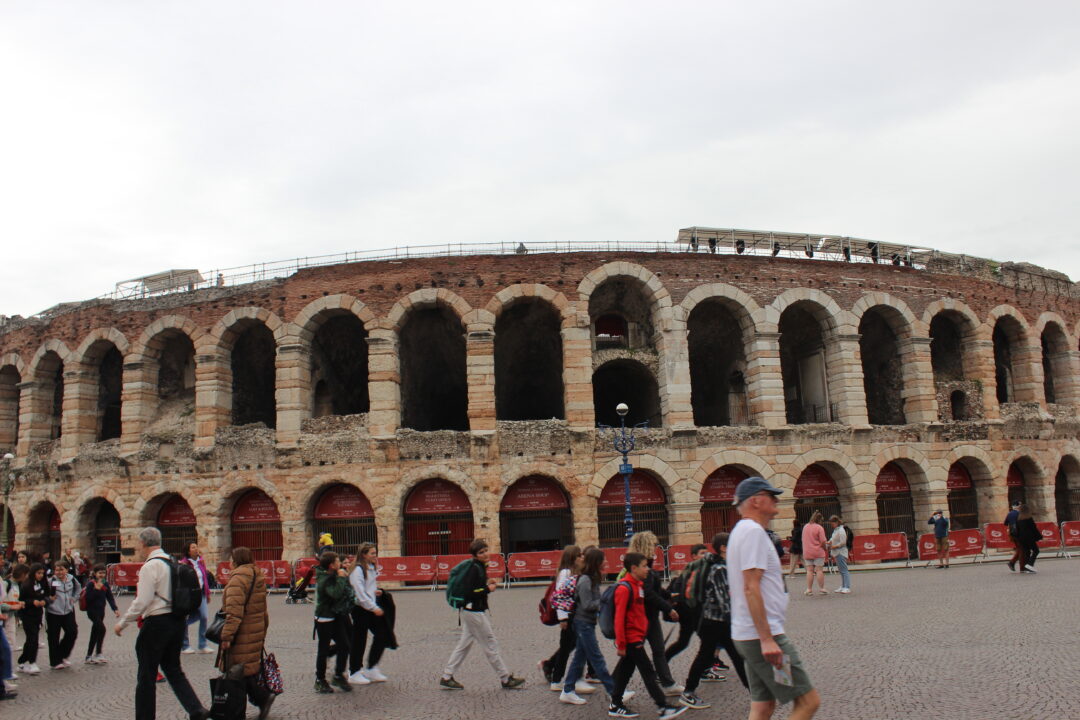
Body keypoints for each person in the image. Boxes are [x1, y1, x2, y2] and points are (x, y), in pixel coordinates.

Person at [729, 477, 820, 720]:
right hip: (763, 640)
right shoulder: (752, 533)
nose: (776, 501)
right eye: (771, 496)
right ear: (756, 501)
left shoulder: (742, 531)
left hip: (750, 636)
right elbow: (750, 587)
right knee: (808, 702)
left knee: (763, 705)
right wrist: (768, 640)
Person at [115, 527, 209, 720]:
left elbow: (143, 600)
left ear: (143, 544)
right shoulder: (172, 562)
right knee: (174, 670)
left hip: (157, 622)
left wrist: (123, 623)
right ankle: (196, 710)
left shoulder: (150, 566)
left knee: (146, 675)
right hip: (177, 622)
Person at [609, 552, 688, 719]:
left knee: (625, 671)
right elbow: (619, 618)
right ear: (634, 568)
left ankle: (615, 703)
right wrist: (622, 644)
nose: (647, 569)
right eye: (644, 566)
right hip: (632, 639)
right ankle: (662, 706)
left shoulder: (638, 586)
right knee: (648, 673)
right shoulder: (624, 588)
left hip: (637, 636)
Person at [440, 539, 525, 691]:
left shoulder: (478, 567)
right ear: (475, 555)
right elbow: (470, 592)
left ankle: (447, 676)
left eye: (486, 550)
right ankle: (505, 678)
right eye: (481, 552)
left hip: (470, 611)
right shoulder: (475, 568)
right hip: (474, 612)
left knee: (463, 645)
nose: (485, 554)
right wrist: (488, 589)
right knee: (490, 644)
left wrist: (486, 584)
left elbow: (475, 586)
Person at [677, 532, 748, 710]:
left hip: (715, 620)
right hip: (716, 621)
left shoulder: (721, 565)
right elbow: (723, 598)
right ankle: (688, 692)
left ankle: (756, 692)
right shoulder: (720, 569)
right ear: (724, 548)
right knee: (714, 655)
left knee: (726, 655)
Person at [559, 546, 635, 708]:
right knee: (597, 658)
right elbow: (587, 604)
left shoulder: (592, 578)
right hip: (583, 623)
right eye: (604, 560)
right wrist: (604, 602)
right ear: (596, 562)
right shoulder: (586, 580)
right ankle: (613, 691)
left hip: (587, 623)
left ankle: (567, 691)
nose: (606, 562)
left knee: (579, 658)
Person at [622, 531, 682, 696]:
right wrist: (668, 608)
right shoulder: (642, 566)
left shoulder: (645, 564)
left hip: (650, 616)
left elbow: (654, 590)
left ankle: (667, 683)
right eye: (654, 545)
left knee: (658, 650)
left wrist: (669, 595)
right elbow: (649, 593)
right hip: (642, 617)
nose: (657, 548)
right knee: (632, 655)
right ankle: (615, 686)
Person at [218, 546, 274, 720]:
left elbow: (234, 613)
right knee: (244, 669)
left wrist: (227, 636)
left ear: (235, 560)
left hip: (242, 633)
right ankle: (262, 698)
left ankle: (238, 712)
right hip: (255, 630)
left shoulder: (237, 579)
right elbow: (262, 609)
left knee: (236, 672)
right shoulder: (257, 575)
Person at [540, 545, 594, 694]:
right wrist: (562, 618)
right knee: (566, 648)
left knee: (571, 646)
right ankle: (558, 679)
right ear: (572, 558)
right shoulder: (565, 573)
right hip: (568, 616)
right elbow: (560, 595)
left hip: (575, 615)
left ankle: (558, 673)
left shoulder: (576, 572)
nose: (582, 558)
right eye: (579, 556)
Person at [348, 542, 391, 685]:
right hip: (361, 608)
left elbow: (367, 587)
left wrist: (375, 591)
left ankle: (371, 667)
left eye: (375, 552)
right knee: (359, 640)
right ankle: (354, 671)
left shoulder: (370, 567)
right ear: (364, 555)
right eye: (372, 553)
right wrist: (373, 607)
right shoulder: (358, 570)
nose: (375, 555)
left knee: (383, 634)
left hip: (370, 606)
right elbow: (359, 592)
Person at [313, 551, 355, 693]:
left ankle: (338, 675)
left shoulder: (332, 575)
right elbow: (335, 593)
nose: (340, 563)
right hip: (324, 618)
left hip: (335, 616)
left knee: (345, 645)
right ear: (331, 565)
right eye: (338, 561)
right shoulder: (324, 579)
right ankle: (320, 679)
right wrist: (342, 578)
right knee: (323, 649)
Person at [664, 543, 708, 663]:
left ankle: (708, 665)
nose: (705, 556)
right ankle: (662, 661)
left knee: (705, 642)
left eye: (706, 553)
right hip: (690, 613)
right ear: (694, 556)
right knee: (686, 642)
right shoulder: (690, 570)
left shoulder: (704, 569)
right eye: (702, 553)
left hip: (696, 612)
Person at [45, 560, 80, 669]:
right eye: (57, 570)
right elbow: (44, 594)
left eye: (61, 569)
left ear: (67, 570)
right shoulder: (50, 581)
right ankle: (55, 661)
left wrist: (74, 598)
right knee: (53, 637)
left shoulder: (72, 579)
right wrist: (49, 600)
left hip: (68, 610)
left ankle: (63, 655)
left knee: (72, 632)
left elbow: (78, 589)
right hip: (53, 612)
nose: (59, 572)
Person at [180, 542, 214, 654]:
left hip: (201, 593)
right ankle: (185, 645)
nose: (196, 549)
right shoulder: (184, 563)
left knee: (204, 616)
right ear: (188, 551)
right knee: (184, 619)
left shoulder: (201, 561)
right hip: (189, 594)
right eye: (193, 547)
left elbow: (204, 578)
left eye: (196, 546)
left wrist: (207, 593)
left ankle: (202, 644)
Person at [83, 563, 119, 664]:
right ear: (95, 573)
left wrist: (115, 609)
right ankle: (96, 653)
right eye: (100, 573)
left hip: (101, 611)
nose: (102, 575)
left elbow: (109, 597)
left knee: (95, 632)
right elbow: (88, 599)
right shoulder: (91, 584)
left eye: (103, 573)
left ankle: (91, 655)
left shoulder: (105, 583)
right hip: (92, 611)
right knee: (102, 629)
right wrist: (96, 589)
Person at [17, 562, 48, 674]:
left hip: (37, 615)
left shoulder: (42, 583)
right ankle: (32, 662)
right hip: (27, 615)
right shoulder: (26, 584)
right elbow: (21, 599)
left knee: (32, 639)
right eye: (38, 573)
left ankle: (21, 661)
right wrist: (32, 602)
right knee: (33, 639)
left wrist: (45, 601)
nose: (40, 575)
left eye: (42, 573)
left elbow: (47, 595)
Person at [800, 513, 828, 596]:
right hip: (818, 551)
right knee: (819, 570)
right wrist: (825, 548)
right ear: (820, 520)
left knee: (809, 571)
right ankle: (822, 588)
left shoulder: (805, 527)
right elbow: (823, 541)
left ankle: (809, 589)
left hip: (807, 551)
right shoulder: (819, 528)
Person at [828, 517, 851, 592]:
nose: (832, 525)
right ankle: (843, 585)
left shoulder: (841, 530)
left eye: (832, 523)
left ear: (836, 522)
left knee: (844, 570)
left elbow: (843, 542)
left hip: (841, 551)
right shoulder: (836, 530)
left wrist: (834, 546)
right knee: (841, 570)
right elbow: (832, 539)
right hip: (837, 552)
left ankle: (847, 587)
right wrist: (829, 542)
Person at [1016, 504, 1041, 574]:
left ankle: (1026, 567)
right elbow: (1034, 528)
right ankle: (1029, 565)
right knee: (1036, 551)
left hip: (1021, 538)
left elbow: (1017, 530)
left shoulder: (1019, 519)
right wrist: (1039, 537)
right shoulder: (1029, 519)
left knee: (1027, 552)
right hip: (1029, 537)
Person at [1004, 501, 1023, 571]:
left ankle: (1012, 562)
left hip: (1012, 534)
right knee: (1022, 550)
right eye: (1020, 505)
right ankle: (1021, 566)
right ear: (1017, 506)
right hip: (1019, 534)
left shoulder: (1009, 513)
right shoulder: (1019, 514)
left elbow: (1005, 523)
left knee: (1020, 549)